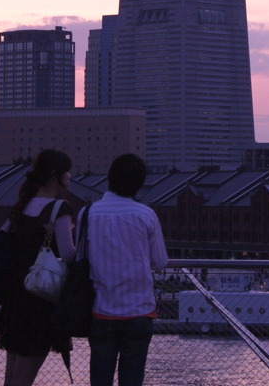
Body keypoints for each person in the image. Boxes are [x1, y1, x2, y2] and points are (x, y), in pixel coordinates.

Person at [87, 153, 168, 386]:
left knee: (100, 377)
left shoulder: (88, 213)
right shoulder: (145, 215)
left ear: (110, 178)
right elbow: (160, 261)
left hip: (100, 310)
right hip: (139, 311)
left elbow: (78, 257)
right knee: (132, 378)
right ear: (139, 183)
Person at [0, 148, 76, 386]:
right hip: (39, 300)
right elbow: (69, 254)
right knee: (24, 378)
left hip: (14, 298)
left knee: (11, 378)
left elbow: (3, 240)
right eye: (67, 171)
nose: (70, 176)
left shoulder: (21, 207)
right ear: (56, 175)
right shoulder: (58, 209)